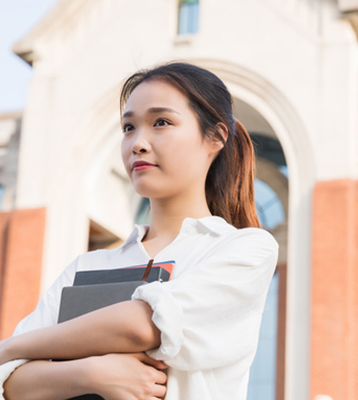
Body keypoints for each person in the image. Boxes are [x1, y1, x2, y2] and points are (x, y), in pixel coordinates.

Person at [0, 62, 278, 399]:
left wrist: (11, 347)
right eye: (129, 127)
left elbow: (144, 325)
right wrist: (91, 373)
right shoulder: (85, 268)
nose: (138, 143)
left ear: (216, 137)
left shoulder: (243, 249)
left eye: (161, 122)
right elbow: (10, 384)